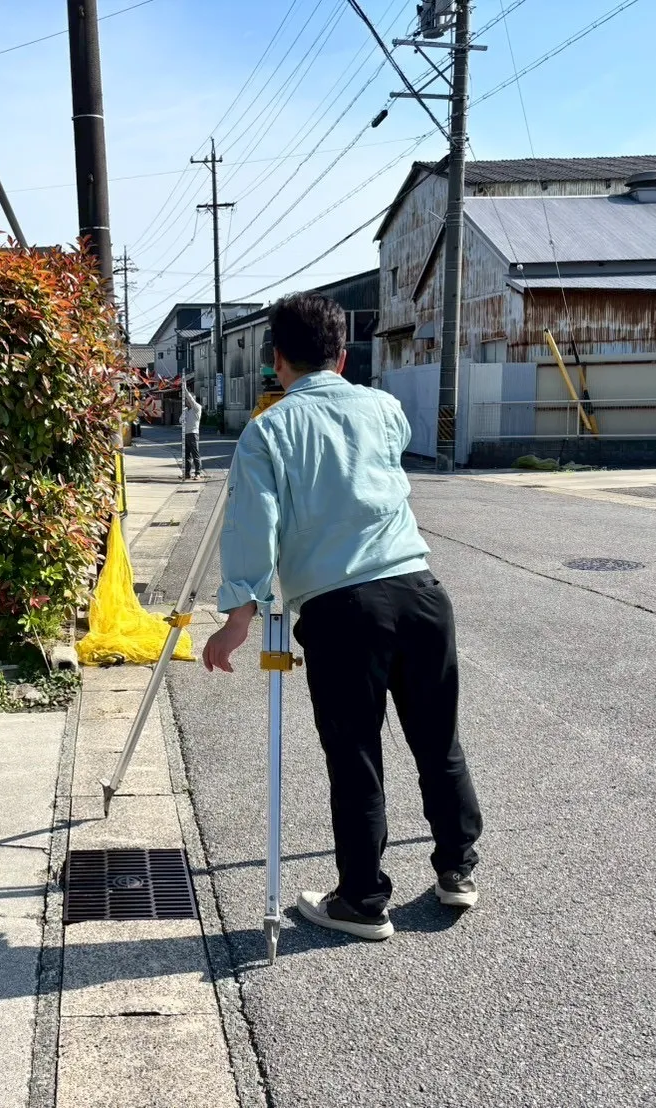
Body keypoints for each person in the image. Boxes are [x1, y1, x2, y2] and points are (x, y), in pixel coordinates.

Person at [201, 293, 483, 943]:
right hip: (419, 591)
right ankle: (455, 869)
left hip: (341, 607)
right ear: (342, 355)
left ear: (275, 360)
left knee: (356, 754)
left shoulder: (268, 431)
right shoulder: (383, 409)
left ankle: (361, 900)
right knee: (436, 742)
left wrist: (239, 616)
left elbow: (253, 526)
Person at [180, 389, 203, 480]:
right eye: (186, 400)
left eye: (188, 400)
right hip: (186, 433)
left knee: (195, 454)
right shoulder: (186, 410)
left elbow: (191, 399)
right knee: (187, 455)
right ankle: (187, 473)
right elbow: (180, 419)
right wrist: (183, 420)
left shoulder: (197, 408)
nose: (187, 401)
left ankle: (198, 473)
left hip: (193, 433)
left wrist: (185, 389)